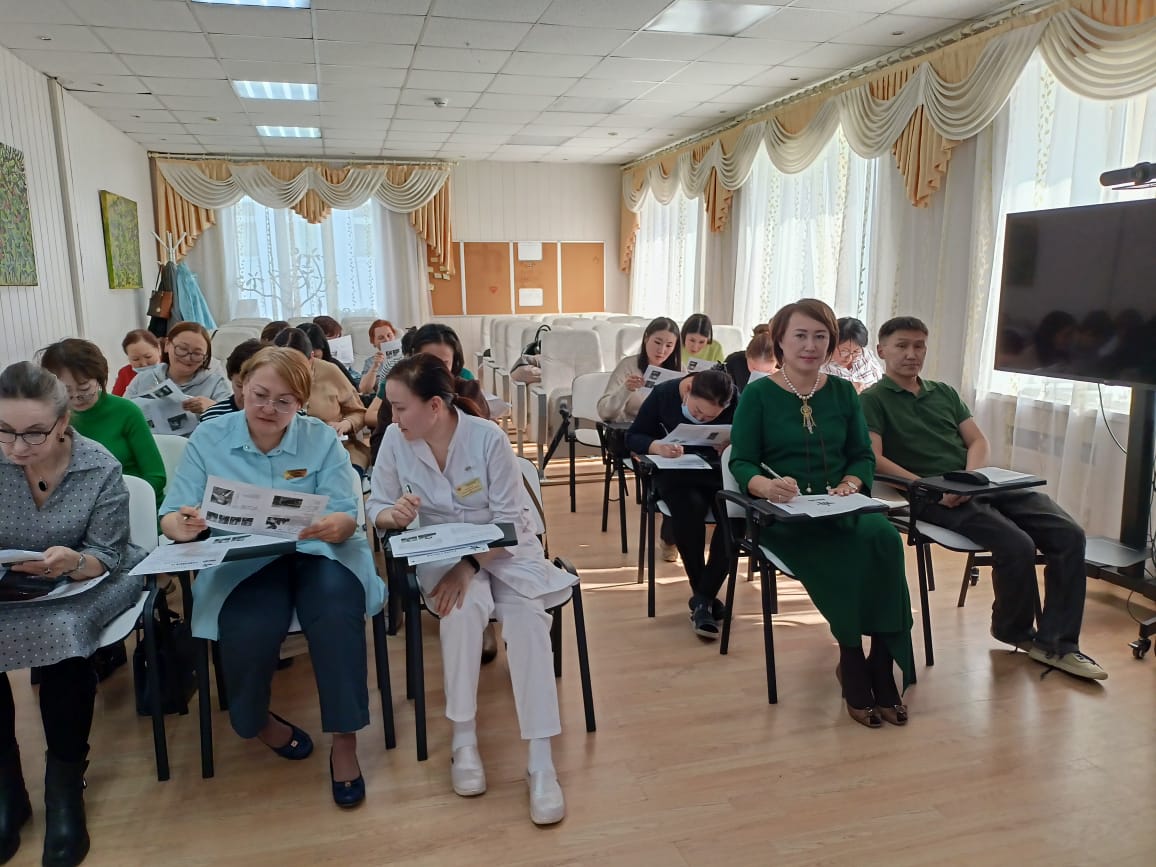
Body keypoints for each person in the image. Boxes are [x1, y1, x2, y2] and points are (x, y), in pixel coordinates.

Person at [159, 347, 385, 808]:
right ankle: (256, 721)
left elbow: (346, 512)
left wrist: (340, 524)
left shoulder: (318, 438)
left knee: (336, 612)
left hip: (319, 551)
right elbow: (172, 513)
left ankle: (344, 740)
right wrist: (182, 525)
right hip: (246, 558)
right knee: (248, 626)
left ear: (301, 402)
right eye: (260, 395)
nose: (269, 409)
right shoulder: (210, 437)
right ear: (241, 386)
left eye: (285, 402)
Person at [368, 354, 572, 826]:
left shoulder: (487, 438)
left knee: (526, 619)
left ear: (434, 405)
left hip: (505, 550)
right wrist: (393, 515)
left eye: (400, 407)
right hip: (441, 551)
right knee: (460, 611)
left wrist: (470, 566)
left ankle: (541, 761)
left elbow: (508, 522)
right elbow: (376, 504)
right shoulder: (397, 441)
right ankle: (464, 742)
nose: (393, 418)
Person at [861, 315, 1107, 681]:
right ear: (882, 351)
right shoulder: (872, 399)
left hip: (975, 483)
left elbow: (977, 440)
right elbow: (875, 458)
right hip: (929, 495)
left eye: (919, 346)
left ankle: (1059, 643)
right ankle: (1013, 629)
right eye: (902, 346)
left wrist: (970, 480)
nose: (912, 354)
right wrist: (930, 488)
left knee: (1069, 535)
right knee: (1017, 544)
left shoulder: (943, 392)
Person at [729, 299, 914, 728]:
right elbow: (742, 462)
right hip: (787, 515)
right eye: (800, 335)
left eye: (820, 336)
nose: (810, 346)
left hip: (843, 504)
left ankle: (881, 661)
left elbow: (862, 455)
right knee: (842, 552)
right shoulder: (758, 394)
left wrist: (851, 482)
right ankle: (851, 659)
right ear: (780, 340)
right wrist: (766, 486)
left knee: (884, 539)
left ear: (831, 342)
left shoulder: (844, 392)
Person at [0, 362, 145, 866]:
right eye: (4, 431)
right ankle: (6, 789)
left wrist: (74, 562)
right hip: (13, 582)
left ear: (63, 423)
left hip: (89, 575)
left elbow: (107, 551)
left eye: (33, 433)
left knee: (64, 634)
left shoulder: (98, 465)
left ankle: (63, 787)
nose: (17, 447)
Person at [626, 369, 738, 640]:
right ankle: (705, 598)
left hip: (716, 472)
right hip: (675, 473)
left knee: (736, 516)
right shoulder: (664, 394)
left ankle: (702, 599)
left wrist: (732, 443)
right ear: (688, 390)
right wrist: (657, 446)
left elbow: (750, 434)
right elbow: (633, 436)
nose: (701, 419)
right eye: (698, 411)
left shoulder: (735, 399)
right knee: (690, 508)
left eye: (710, 417)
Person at [39, 338, 166, 503]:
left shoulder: (126, 411)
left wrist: (116, 500)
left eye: (84, 388)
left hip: (132, 503)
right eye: (65, 390)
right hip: (77, 507)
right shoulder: (50, 418)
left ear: (99, 378)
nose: (76, 396)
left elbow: (156, 476)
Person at [282, 326, 370, 474]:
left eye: (298, 365)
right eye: (284, 366)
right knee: (291, 479)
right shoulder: (269, 379)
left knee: (342, 478)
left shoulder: (330, 371)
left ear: (311, 357)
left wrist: (345, 424)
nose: (291, 372)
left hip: (337, 451)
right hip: (290, 458)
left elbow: (359, 412)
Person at [123, 321, 230, 422]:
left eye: (197, 354)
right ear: (167, 345)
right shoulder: (143, 379)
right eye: (182, 349)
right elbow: (122, 413)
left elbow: (233, 420)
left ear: (205, 358)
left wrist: (212, 407)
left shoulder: (216, 383)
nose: (187, 358)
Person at [597, 317, 681, 424]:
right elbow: (605, 413)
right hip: (633, 427)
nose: (661, 350)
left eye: (669, 345)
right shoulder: (628, 366)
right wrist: (626, 389)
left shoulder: (680, 369)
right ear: (646, 338)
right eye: (657, 342)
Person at [200, 339, 264, 423]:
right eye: (239, 386)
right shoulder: (213, 418)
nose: (245, 393)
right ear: (230, 378)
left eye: (256, 389)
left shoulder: (276, 417)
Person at [822, 316, 882, 392]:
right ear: (831, 344)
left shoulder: (866, 355)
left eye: (856, 351)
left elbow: (881, 382)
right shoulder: (821, 367)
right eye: (844, 351)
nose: (850, 358)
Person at [300, 322, 360, 391]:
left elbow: (353, 391)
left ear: (323, 349)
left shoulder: (333, 366)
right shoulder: (293, 370)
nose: (309, 360)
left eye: (315, 356)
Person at [723, 324, 777, 393]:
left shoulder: (785, 371)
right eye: (754, 369)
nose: (759, 374)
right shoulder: (733, 362)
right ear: (746, 355)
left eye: (767, 371)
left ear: (777, 361)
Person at [110, 329, 161, 397]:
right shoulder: (125, 373)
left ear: (159, 349)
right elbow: (116, 399)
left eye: (148, 357)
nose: (143, 364)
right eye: (136, 359)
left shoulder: (169, 368)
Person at [358, 319, 400, 396]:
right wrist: (375, 366)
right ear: (374, 342)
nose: (387, 340)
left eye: (389, 335)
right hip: (385, 399)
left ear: (394, 336)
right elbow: (364, 390)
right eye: (381, 338)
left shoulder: (407, 355)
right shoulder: (370, 362)